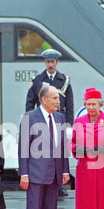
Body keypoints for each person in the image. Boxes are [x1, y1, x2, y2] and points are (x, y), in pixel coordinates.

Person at [19, 85, 70, 209]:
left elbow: (63, 147)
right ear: (44, 99)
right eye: (55, 98)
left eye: (58, 98)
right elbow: (23, 148)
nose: (58, 101)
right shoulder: (29, 118)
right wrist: (23, 174)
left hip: (55, 174)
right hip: (35, 174)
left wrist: (65, 169)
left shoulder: (60, 117)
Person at [25, 48, 74, 197]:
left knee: (60, 152)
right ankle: (46, 180)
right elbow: (30, 103)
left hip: (60, 120)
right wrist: (30, 121)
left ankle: (60, 184)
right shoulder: (38, 80)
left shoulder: (64, 80)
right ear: (45, 63)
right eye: (48, 61)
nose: (50, 64)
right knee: (44, 152)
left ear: (57, 62)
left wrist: (69, 125)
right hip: (42, 122)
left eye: (53, 61)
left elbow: (70, 105)